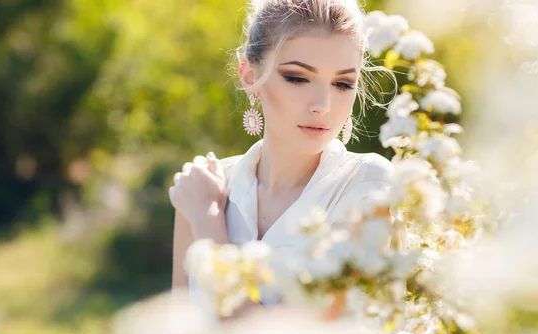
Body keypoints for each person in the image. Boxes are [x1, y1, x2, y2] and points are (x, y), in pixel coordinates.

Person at [169, 0, 395, 313]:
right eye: (298, 78)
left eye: (343, 83)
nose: (323, 105)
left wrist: (209, 226)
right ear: (249, 76)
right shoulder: (205, 186)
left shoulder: (367, 187)